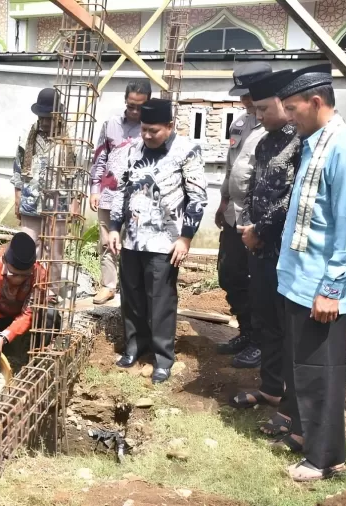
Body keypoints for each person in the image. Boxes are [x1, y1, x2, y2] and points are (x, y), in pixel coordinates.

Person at [274, 63, 346, 482]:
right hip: (297, 281)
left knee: (321, 374)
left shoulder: (344, 148)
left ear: (316, 102)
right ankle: (302, 434)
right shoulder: (314, 143)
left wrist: (331, 288)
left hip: (321, 289)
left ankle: (326, 457)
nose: (288, 117)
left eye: (292, 109)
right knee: (301, 368)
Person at [107, 98, 207, 384]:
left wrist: (185, 238)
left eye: (154, 131)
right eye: (144, 130)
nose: (148, 136)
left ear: (170, 126)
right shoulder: (133, 150)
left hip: (166, 241)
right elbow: (120, 191)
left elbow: (198, 197)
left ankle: (163, 358)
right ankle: (134, 347)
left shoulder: (186, 151)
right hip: (133, 240)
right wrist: (115, 227)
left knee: (161, 300)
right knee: (132, 297)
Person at [228, 70, 301, 422]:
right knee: (266, 321)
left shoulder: (300, 141)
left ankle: (293, 401)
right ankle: (271, 388)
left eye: (262, 109)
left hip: (285, 251)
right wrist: (248, 227)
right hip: (258, 248)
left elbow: (293, 200)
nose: (258, 116)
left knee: (288, 327)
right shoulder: (265, 140)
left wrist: (262, 230)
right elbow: (258, 188)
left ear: (283, 104)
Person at [214, 62, 272, 368]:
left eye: (249, 94)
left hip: (258, 218)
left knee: (258, 281)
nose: (245, 101)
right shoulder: (239, 124)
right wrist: (223, 201)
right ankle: (246, 332)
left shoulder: (276, 125)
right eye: (242, 95)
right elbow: (231, 165)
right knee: (230, 274)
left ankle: (261, 342)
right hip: (234, 214)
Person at [89, 80, 151, 305]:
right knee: (107, 240)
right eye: (131, 105)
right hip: (109, 192)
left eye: (139, 107)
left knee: (135, 241)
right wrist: (95, 188)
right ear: (125, 101)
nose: (134, 111)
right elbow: (99, 157)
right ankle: (108, 285)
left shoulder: (151, 127)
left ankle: (133, 288)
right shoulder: (111, 124)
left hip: (139, 197)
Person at [12, 88, 76, 299]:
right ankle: (29, 288)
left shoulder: (69, 141)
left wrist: (75, 201)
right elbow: (18, 169)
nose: (45, 122)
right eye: (42, 118)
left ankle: (51, 291)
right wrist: (17, 197)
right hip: (31, 203)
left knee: (55, 250)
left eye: (49, 118)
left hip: (57, 204)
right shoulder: (26, 136)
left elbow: (78, 174)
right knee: (29, 247)